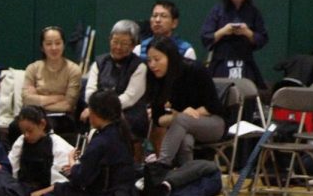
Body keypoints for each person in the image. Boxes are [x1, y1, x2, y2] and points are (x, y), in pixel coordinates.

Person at [38, 90, 140, 196]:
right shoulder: (123, 134)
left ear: (96, 113)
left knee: (60, 191)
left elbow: (81, 179)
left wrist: (72, 162)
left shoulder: (101, 141)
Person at [146, 36, 225, 167]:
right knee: (185, 141)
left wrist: (185, 115)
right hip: (181, 125)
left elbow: (214, 106)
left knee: (181, 120)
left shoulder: (195, 70)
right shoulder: (154, 77)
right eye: (149, 60)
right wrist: (178, 116)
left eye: (157, 59)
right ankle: (185, 180)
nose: (152, 65)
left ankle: (161, 166)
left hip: (213, 122)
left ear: (170, 57)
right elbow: (157, 118)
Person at [81, 20, 149, 154]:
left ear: (134, 45)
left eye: (124, 43)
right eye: (115, 41)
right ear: (109, 40)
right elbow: (90, 92)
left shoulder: (139, 66)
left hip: (128, 115)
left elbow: (129, 98)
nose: (118, 47)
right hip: (98, 112)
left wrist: (101, 110)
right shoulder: (100, 62)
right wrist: (96, 108)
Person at [200, 0, 269, 87]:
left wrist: (247, 32)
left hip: (245, 62)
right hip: (221, 62)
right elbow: (205, 36)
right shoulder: (218, 10)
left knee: (248, 94)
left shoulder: (253, 12)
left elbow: (262, 38)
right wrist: (223, 31)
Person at [21, 26, 82, 138]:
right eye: (49, 44)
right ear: (42, 47)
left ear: (63, 45)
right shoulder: (33, 68)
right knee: (15, 126)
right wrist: (57, 98)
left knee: (47, 126)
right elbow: (26, 99)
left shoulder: (74, 70)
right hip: (34, 116)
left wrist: (38, 100)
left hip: (63, 118)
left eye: (58, 43)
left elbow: (68, 105)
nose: (54, 48)